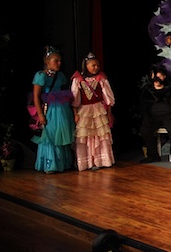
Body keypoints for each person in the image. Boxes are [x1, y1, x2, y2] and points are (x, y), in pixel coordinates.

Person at [31, 46, 75, 174]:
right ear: (47, 62)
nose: (59, 63)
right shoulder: (41, 76)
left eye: (60, 61)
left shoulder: (60, 75)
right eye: (56, 61)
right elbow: (36, 96)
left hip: (62, 109)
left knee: (61, 133)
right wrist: (40, 114)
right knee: (50, 135)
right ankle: (51, 164)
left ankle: (63, 162)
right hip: (50, 109)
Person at [70, 52, 115, 171]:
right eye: (93, 65)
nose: (96, 68)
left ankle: (100, 160)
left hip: (98, 109)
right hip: (84, 110)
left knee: (100, 134)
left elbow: (108, 97)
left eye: (97, 65)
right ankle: (87, 162)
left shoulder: (101, 78)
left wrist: (108, 113)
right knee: (85, 135)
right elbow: (75, 98)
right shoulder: (78, 79)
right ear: (86, 66)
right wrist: (75, 114)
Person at [139, 64, 171, 165]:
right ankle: (153, 156)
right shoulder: (147, 90)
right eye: (155, 77)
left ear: (164, 77)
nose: (156, 79)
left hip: (168, 116)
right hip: (153, 117)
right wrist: (146, 117)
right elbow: (143, 106)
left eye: (159, 76)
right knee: (145, 129)